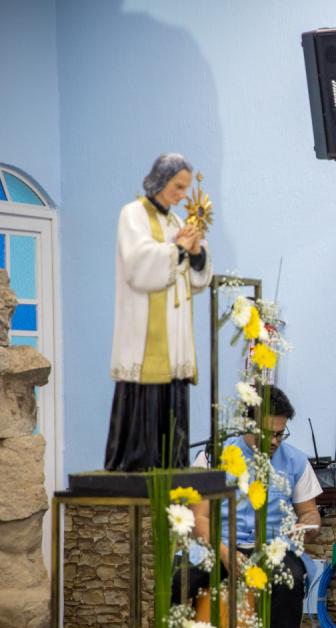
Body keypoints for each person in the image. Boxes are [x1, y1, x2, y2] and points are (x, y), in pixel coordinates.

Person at [173, 386, 321, 628]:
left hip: (272, 548)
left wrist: (309, 525)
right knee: (178, 580)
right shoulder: (212, 457)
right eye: (269, 434)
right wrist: (225, 553)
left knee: (290, 581)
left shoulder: (297, 461)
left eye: (280, 434)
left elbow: (309, 511)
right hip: (216, 545)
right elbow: (199, 519)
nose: (275, 441)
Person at [105, 153, 212, 471]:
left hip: (175, 330)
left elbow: (196, 278)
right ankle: (138, 463)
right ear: (160, 180)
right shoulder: (133, 214)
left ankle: (172, 462)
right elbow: (138, 265)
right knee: (145, 396)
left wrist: (196, 252)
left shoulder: (176, 222)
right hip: (145, 330)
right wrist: (178, 248)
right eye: (178, 187)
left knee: (172, 393)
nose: (182, 195)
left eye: (185, 188)